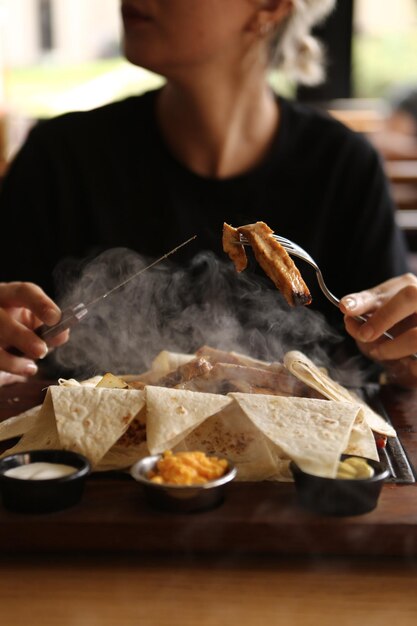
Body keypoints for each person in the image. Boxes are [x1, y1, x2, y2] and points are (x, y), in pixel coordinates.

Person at [0, 0, 416, 388]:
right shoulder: (59, 158)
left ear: (270, 5)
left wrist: (401, 352)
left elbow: (384, 366)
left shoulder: (345, 167)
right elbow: (15, 341)